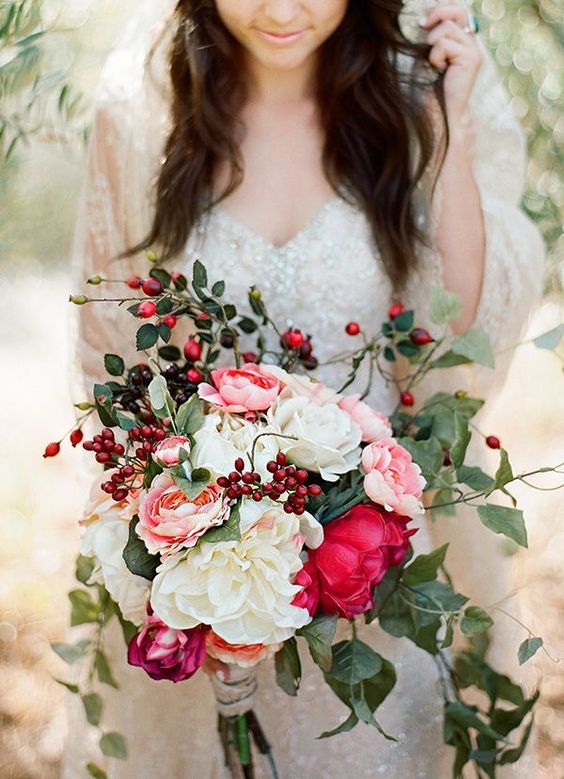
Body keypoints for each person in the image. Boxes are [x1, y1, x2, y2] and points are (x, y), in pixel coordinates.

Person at [66, 1, 546, 776]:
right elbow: (113, 361)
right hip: (202, 567)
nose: (282, 11)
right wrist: (183, 558)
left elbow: (456, 324)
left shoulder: (405, 104)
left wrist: (450, 124)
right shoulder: (140, 112)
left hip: (371, 558)